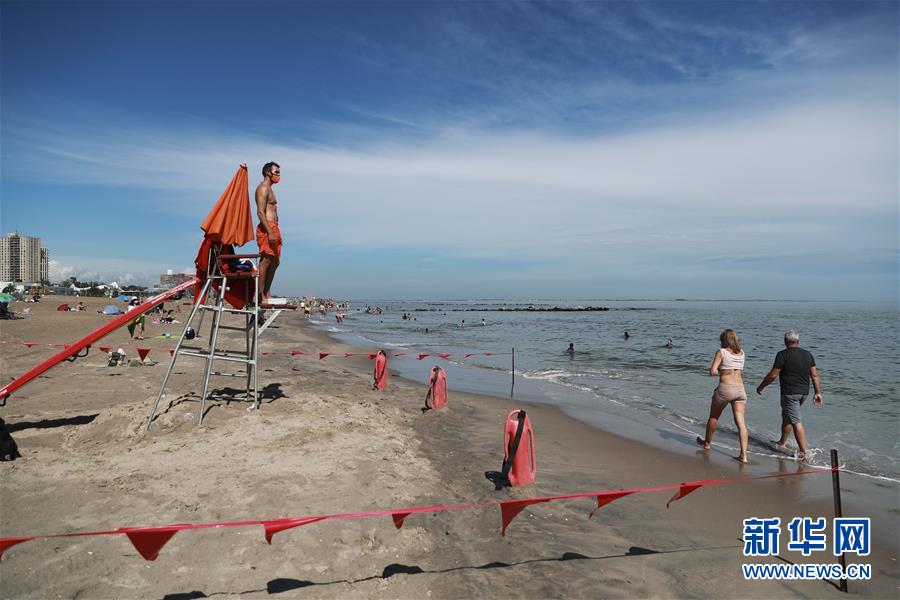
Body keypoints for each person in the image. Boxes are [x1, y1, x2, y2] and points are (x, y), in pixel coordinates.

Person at [756, 329, 823, 461]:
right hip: (804, 393)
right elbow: (814, 375)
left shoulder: (782, 355)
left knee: (795, 421)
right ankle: (782, 442)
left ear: (785, 341)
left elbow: (773, 375)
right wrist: (817, 392)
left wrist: (761, 386)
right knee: (787, 417)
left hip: (790, 393)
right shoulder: (808, 354)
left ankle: (805, 453)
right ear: (798, 341)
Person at [697, 329, 750, 463]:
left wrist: (719, 368)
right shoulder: (742, 353)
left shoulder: (721, 352)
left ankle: (707, 443)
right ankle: (743, 455)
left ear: (723, 340)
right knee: (741, 423)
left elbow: (712, 371)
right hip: (740, 389)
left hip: (725, 388)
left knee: (714, 417)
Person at [255, 161, 282, 304]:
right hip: (267, 228)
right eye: (276, 172)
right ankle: (260, 295)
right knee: (266, 261)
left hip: (274, 227)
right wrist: (270, 231)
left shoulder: (270, 189)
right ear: (268, 172)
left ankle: (266, 292)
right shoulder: (263, 188)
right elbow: (260, 212)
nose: (278, 175)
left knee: (275, 262)